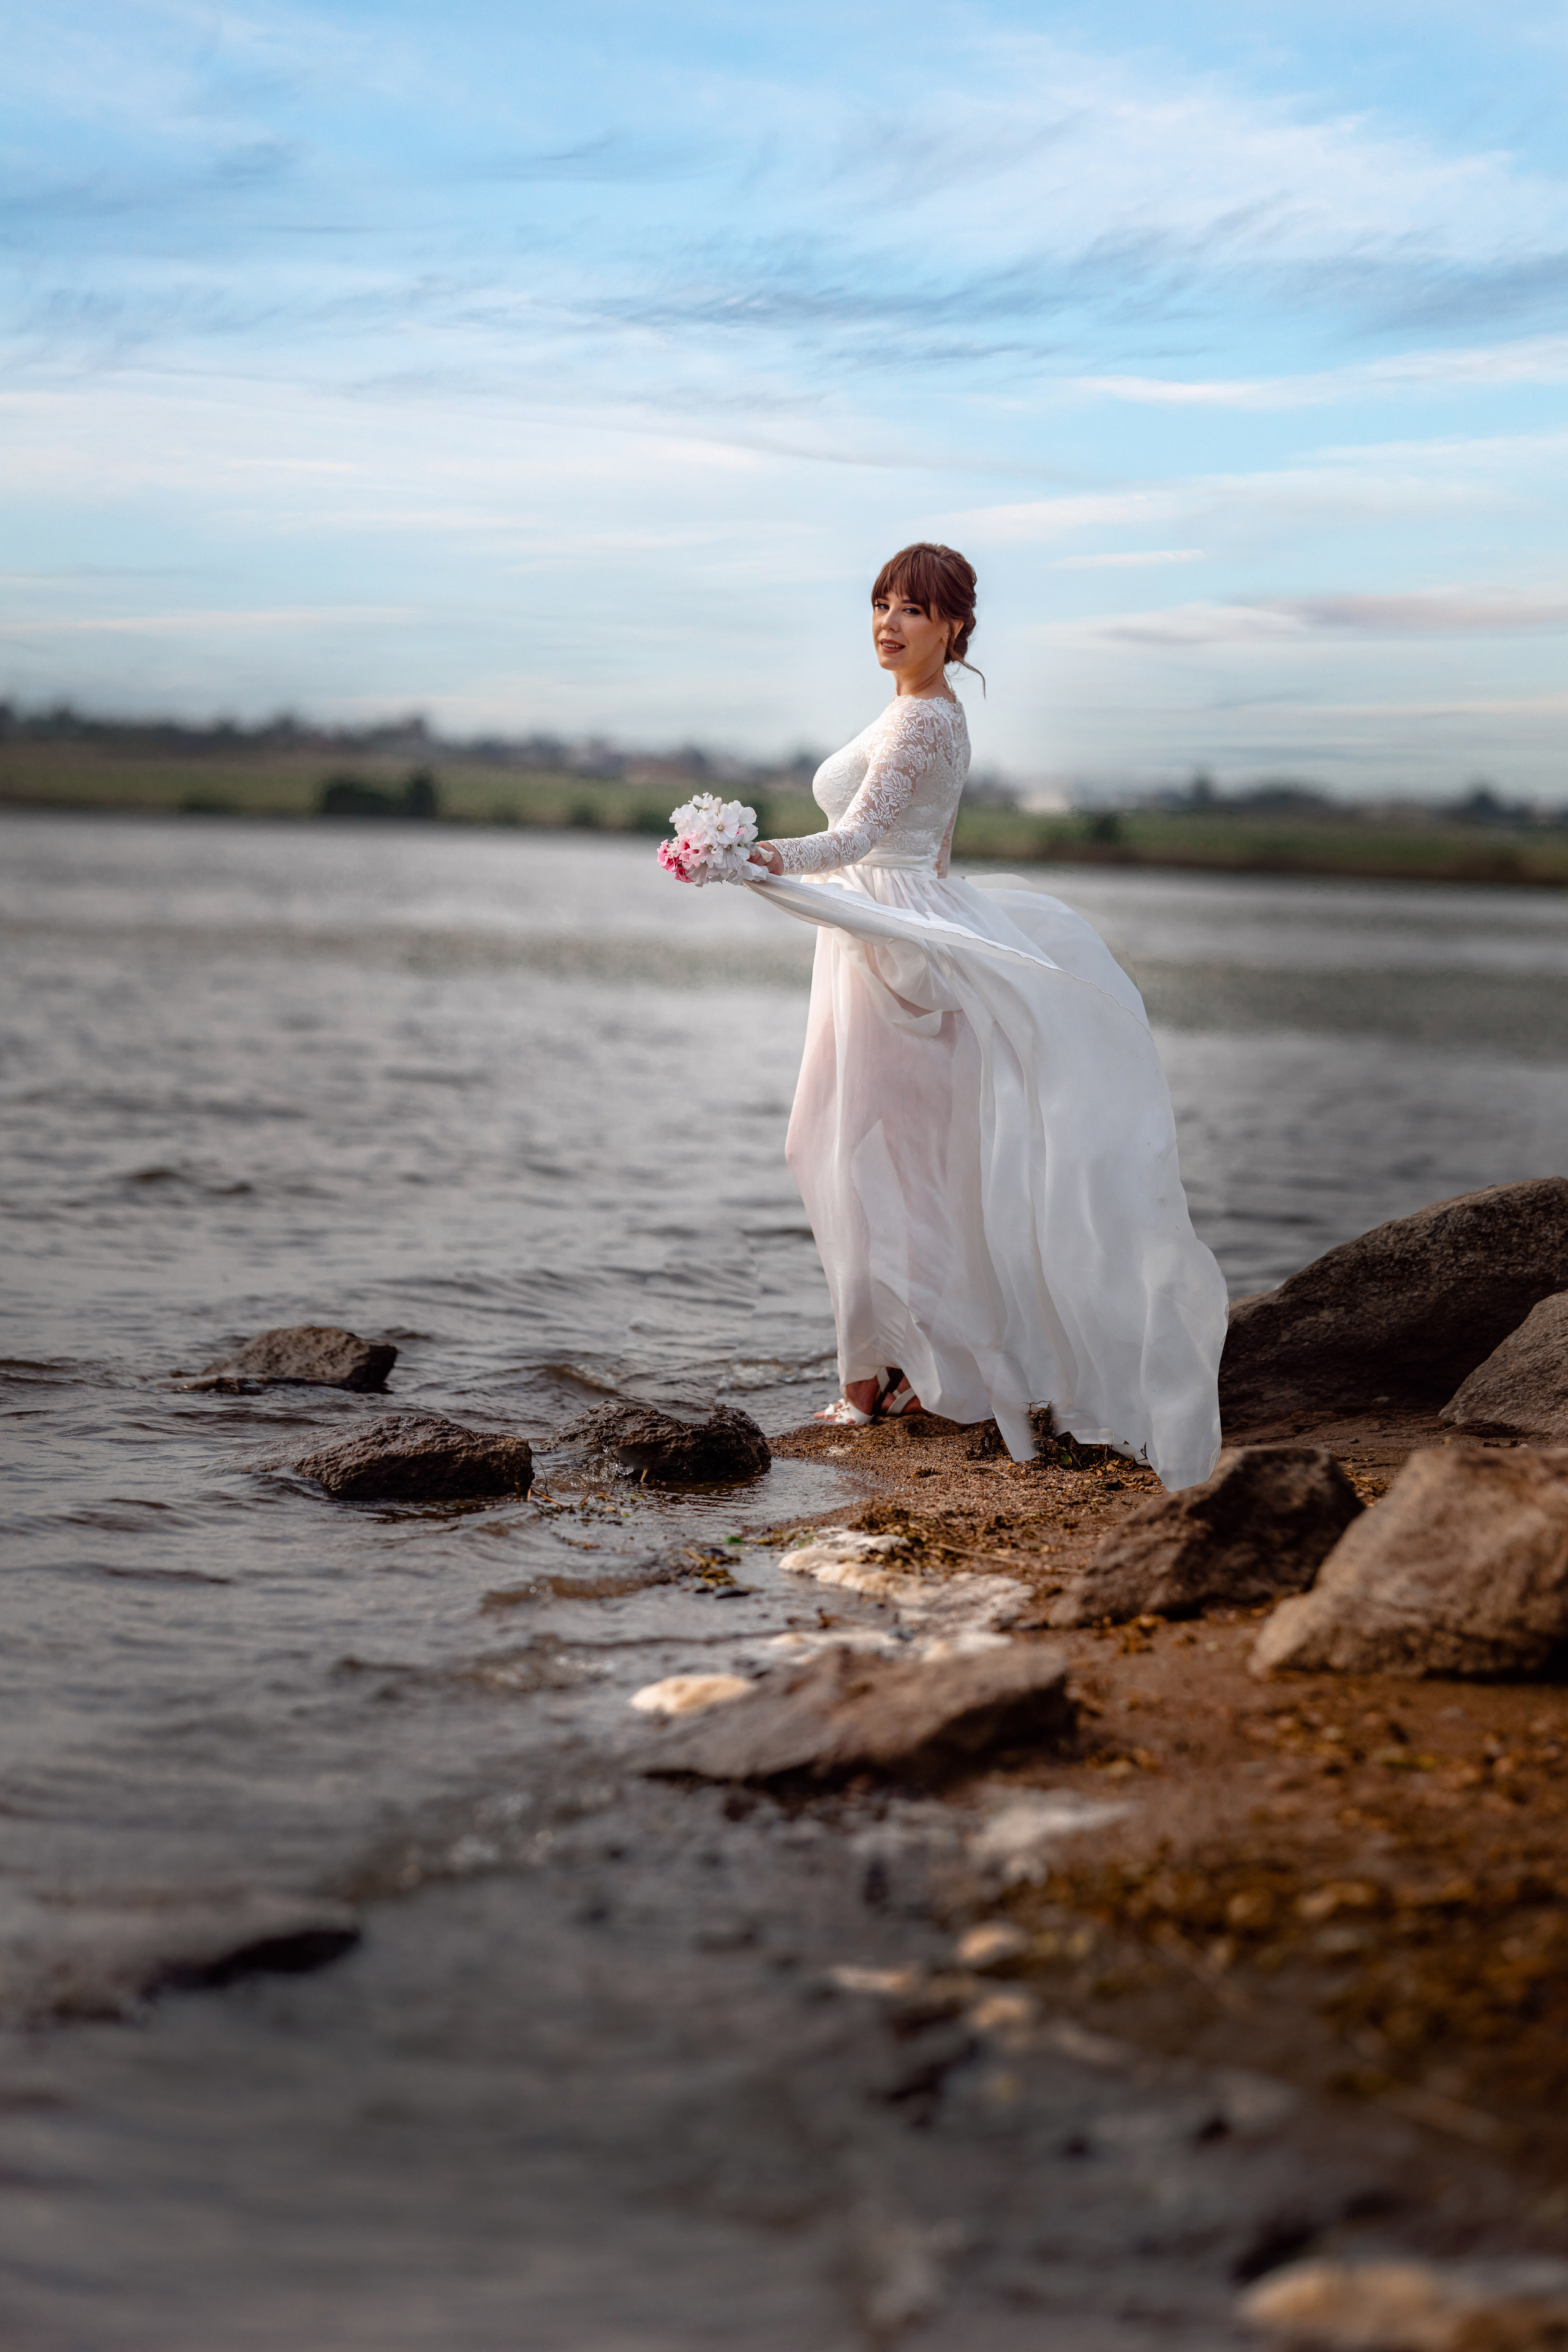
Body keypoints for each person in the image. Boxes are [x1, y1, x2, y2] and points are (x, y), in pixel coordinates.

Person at [744, 542, 1226, 1490]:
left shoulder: (924, 719)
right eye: (881, 604)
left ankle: (877, 1383)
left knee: (850, 1152)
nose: (888, 623)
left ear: (954, 625)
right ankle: (907, 1371)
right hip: (883, 933)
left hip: (892, 949)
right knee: (888, 1158)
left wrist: (753, 857)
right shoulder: (921, 709)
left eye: (912, 610)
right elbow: (920, 851)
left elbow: (858, 837)